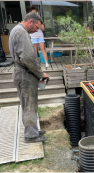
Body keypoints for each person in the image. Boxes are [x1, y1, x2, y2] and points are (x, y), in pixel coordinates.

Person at [9, 12, 49, 143]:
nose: (37, 30)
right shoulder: (21, 32)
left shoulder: (18, 30)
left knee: (29, 103)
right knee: (29, 105)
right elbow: (28, 58)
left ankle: (33, 130)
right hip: (24, 74)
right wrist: (40, 73)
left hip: (24, 73)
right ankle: (31, 136)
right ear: (30, 21)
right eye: (37, 27)